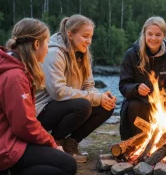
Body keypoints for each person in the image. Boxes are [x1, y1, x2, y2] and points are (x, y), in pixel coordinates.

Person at [0, 18, 76, 175]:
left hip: (7, 139)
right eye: (47, 42)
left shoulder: (13, 67)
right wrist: (52, 144)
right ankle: (8, 174)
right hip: (3, 148)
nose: (48, 49)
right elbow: (24, 126)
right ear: (36, 45)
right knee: (68, 166)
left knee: (57, 161)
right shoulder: (15, 77)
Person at [35, 14, 116, 163]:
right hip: (43, 110)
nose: (89, 41)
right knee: (83, 105)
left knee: (106, 106)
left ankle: (70, 143)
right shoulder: (54, 53)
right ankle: (56, 142)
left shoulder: (84, 55)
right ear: (70, 34)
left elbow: (89, 86)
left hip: (65, 105)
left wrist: (102, 97)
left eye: (91, 37)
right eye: (85, 36)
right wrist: (95, 98)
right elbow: (58, 92)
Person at [119, 16, 166, 140]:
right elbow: (123, 86)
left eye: (158, 35)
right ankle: (136, 143)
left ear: (164, 36)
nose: (153, 38)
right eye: (150, 34)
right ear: (144, 34)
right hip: (138, 103)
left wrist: (165, 94)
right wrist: (136, 88)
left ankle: (163, 142)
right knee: (134, 105)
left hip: (161, 105)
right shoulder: (131, 54)